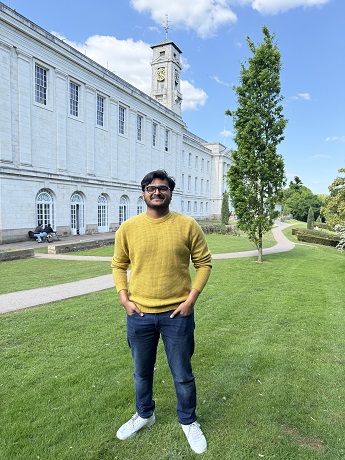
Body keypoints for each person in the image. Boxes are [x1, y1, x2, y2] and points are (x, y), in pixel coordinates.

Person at [111, 169, 212, 455]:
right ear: (143, 193)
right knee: (141, 373)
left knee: (182, 374)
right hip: (139, 315)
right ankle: (145, 414)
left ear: (170, 192)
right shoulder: (128, 228)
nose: (157, 192)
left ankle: (188, 420)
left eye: (163, 188)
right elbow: (118, 265)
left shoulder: (187, 225)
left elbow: (204, 263)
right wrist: (123, 297)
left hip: (176, 316)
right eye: (151, 188)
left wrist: (191, 299)